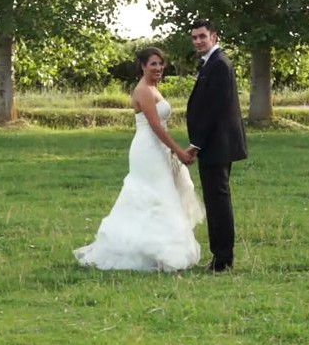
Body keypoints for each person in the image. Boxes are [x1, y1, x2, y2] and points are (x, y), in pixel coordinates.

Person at [74, 47, 204, 272]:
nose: (158, 68)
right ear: (143, 66)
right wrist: (179, 152)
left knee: (165, 193)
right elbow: (155, 127)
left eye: (161, 64)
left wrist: (173, 151)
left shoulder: (155, 88)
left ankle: (161, 249)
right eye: (153, 64)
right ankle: (145, 251)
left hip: (160, 148)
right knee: (153, 194)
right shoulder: (143, 90)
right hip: (148, 149)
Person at [186, 19, 248, 273]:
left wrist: (196, 144)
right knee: (215, 200)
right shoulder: (211, 63)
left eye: (202, 36)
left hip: (216, 143)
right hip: (215, 143)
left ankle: (222, 260)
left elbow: (215, 109)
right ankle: (220, 256)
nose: (198, 41)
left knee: (218, 201)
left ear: (214, 36)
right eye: (194, 37)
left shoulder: (220, 64)